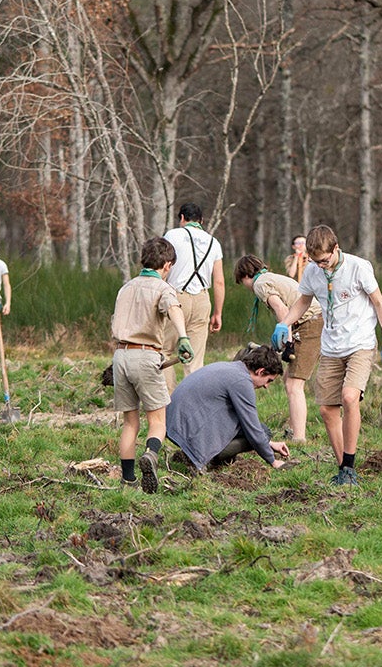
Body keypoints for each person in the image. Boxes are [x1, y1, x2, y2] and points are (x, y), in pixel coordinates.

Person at [292, 224, 382, 486]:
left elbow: (379, 302)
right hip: (331, 347)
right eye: (316, 262)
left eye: (326, 260)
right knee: (328, 410)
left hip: (360, 343)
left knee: (349, 396)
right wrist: (284, 323)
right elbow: (304, 301)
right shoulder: (313, 271)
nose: (322, 266)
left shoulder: (358, 267)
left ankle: (350, 464)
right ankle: (344, 470)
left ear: (336, 249)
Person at [110, 237, 191, 492]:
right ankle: (151, 455)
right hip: (146, 356)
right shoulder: (163, 289)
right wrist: (183, 337)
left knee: (130, 422)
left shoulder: (125, 288)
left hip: (120, 356)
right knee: (157, 421)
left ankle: (128, 480)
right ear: (167, 265)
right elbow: (174, 309)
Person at [162, 345, 291, 473]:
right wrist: (273, 461)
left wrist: (270, 444)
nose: (266, 386)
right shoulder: (242, 382)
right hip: (186, 429)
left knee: (261, 433)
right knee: (264, 431)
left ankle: (195, 453)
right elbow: (253, 429)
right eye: (269, 380)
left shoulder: (231, 368)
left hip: (173, 424)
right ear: (260, 371)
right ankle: (209, 458)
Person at [233, 253, 319, 442]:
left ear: (245, 275)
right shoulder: (270, 278)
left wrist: (287, 342)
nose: (245, 287)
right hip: (306, 322)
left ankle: (299, 438)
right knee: (289, 378)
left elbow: (282, 310)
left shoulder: (260, 284)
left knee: (294, 384)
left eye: (242, 282)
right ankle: (293, 426)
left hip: (311, 323)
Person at [163, 203, 224, 376]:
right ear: (201, 220)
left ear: (182, 218)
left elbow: (163, 267)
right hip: (202, 301)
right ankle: (191, 402)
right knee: (195, 359)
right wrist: (217, 313)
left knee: (164, 351)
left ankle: (166, 401)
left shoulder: (172, 235)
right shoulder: (214, 242)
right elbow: (219, 281)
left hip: (175, 298)